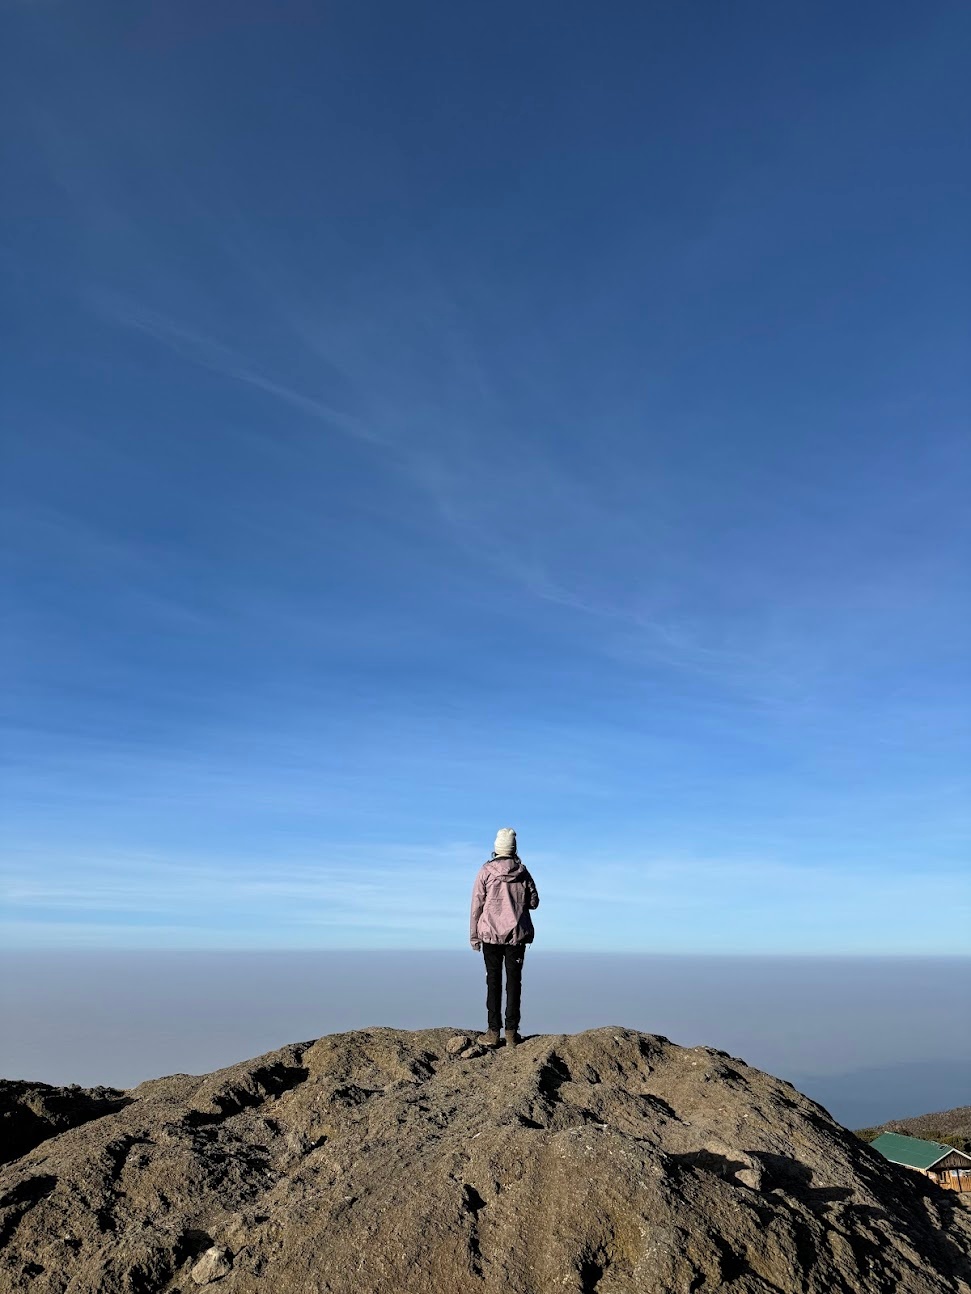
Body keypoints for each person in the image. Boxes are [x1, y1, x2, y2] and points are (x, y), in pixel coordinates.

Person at [469, 827, 540, 1048]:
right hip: (516, 936)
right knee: (513, 983)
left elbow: (476, 906)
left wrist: (474, 937)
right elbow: (534, 902)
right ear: (513, 849)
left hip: (490, 935)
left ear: (496, 849)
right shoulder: (523, 872)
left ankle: (492, 1032)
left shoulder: (485, 871)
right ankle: (511, 1033)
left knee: (493, 982)